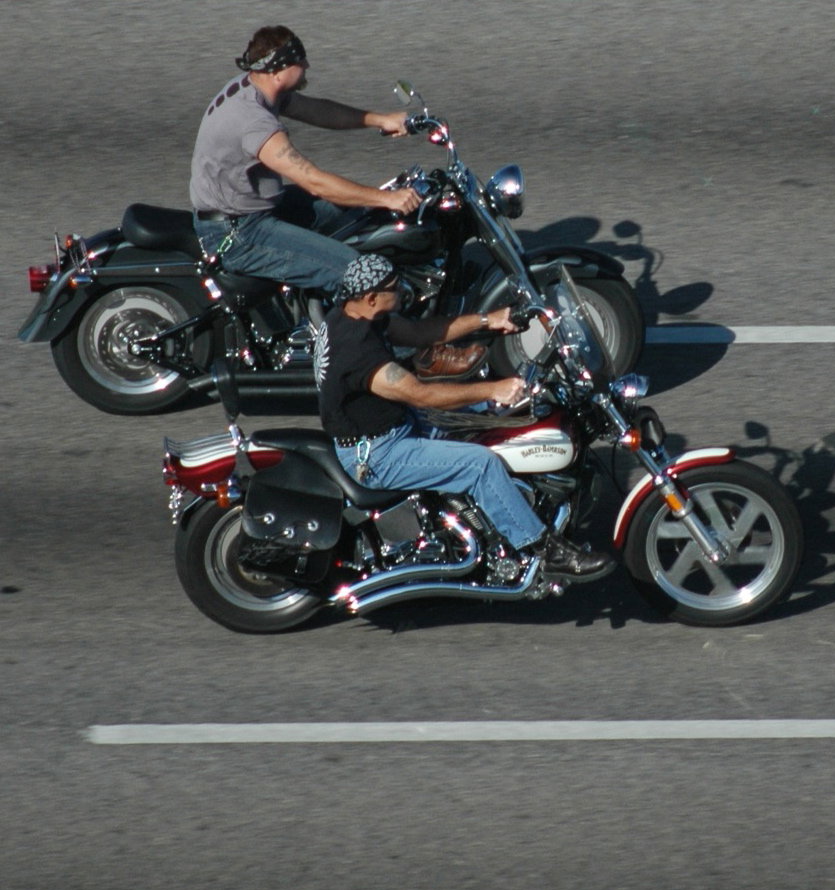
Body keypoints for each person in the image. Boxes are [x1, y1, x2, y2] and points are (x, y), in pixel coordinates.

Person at [314, 254, 614, 582]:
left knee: (489, 416)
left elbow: (418, 332)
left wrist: (490, 320)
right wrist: (494, 389)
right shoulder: (357, 352)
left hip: (395, 424)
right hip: (378, 454)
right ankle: (543, 550)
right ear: (372, 297)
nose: (402, 290)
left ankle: (493, 513)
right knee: (479, 464)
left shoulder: (355, 314)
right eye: (394, 288)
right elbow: (421, 394)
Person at [189, 25, 420, 295]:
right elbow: (314, 182)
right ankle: (346, 320)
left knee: (364, 214)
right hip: (238, 233)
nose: (307, 65)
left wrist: (380, 120)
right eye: (299, 62)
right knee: (364, 275)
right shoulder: (253, 122)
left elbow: (317, 110)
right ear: (277, 71)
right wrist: (388, 198)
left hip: (256, 210)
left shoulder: (257, 87)